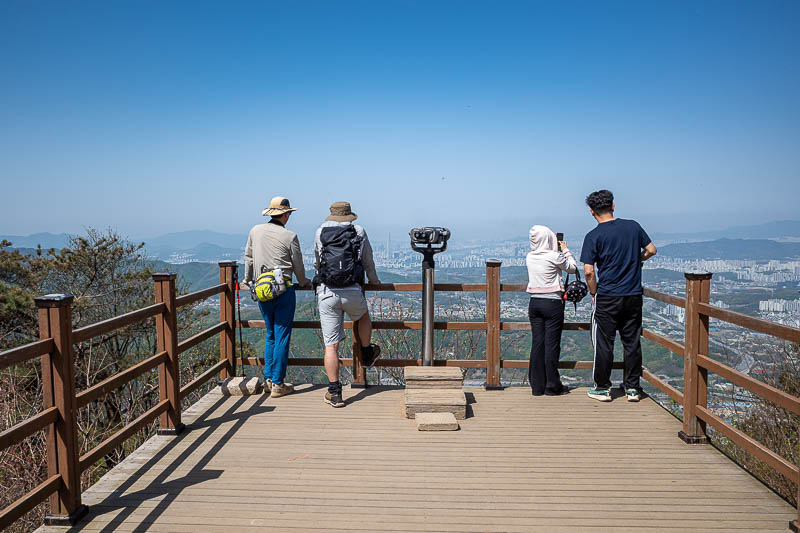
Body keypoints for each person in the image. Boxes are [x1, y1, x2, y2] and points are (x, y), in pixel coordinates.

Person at [580, 190, 657, 402]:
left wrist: (594, 292)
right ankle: (632, 388)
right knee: (632, 342)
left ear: (591, 211)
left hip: (607, 295)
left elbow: (588, 271)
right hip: (632, 294)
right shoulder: (633, 226)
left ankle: (603, 388)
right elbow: (651, 249)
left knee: (604, 342)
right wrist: (637, 260)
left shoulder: (593, 236)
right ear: (613, 206)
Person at [313, 201, 381, 408]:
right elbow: (367, 259)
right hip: (352, 290)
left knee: (331, 346)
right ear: (349, 215)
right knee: (362, 317)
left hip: (327, 292)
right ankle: (367, 351)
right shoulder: (358, 230)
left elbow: (317, 262)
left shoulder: (320, 231)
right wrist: (374, 280)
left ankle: (334, 393)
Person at [244, 196, 311, 398]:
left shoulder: (255, 231)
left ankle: (269, 380)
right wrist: (303, 281)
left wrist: (247, 280)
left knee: (271, 334)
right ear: (284, 215)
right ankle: (279, 384)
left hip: (262, 289)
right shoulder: (289, 236)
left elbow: (248, 258)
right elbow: (298, 265)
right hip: (283, 290)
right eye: (289, 213)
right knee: (282, 335)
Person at [525, 225, 578, 396]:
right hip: (553, 304)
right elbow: (572, 267)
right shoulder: (554, 256)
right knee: (551, 345)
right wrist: (565, 249)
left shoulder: (530, 256)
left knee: (537, 344)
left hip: (534, 304)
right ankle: (551, 385)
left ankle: (536, 386)